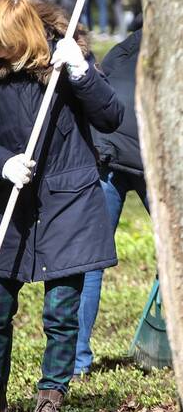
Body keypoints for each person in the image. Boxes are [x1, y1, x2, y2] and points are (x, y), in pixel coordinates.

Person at [0, 0, 123, 412]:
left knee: (61, 312)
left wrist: (83, 73)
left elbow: (111, 117)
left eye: (6, 44)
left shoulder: (69, 57)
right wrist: (3, 162)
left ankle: (50, 401)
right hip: (12, 202)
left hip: (70, 201)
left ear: (28, 34)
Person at [74, 28, 146, 376]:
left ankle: (77, 361)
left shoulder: (123, 48)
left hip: (107, 150)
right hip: (149, 155)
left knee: (90, 261)